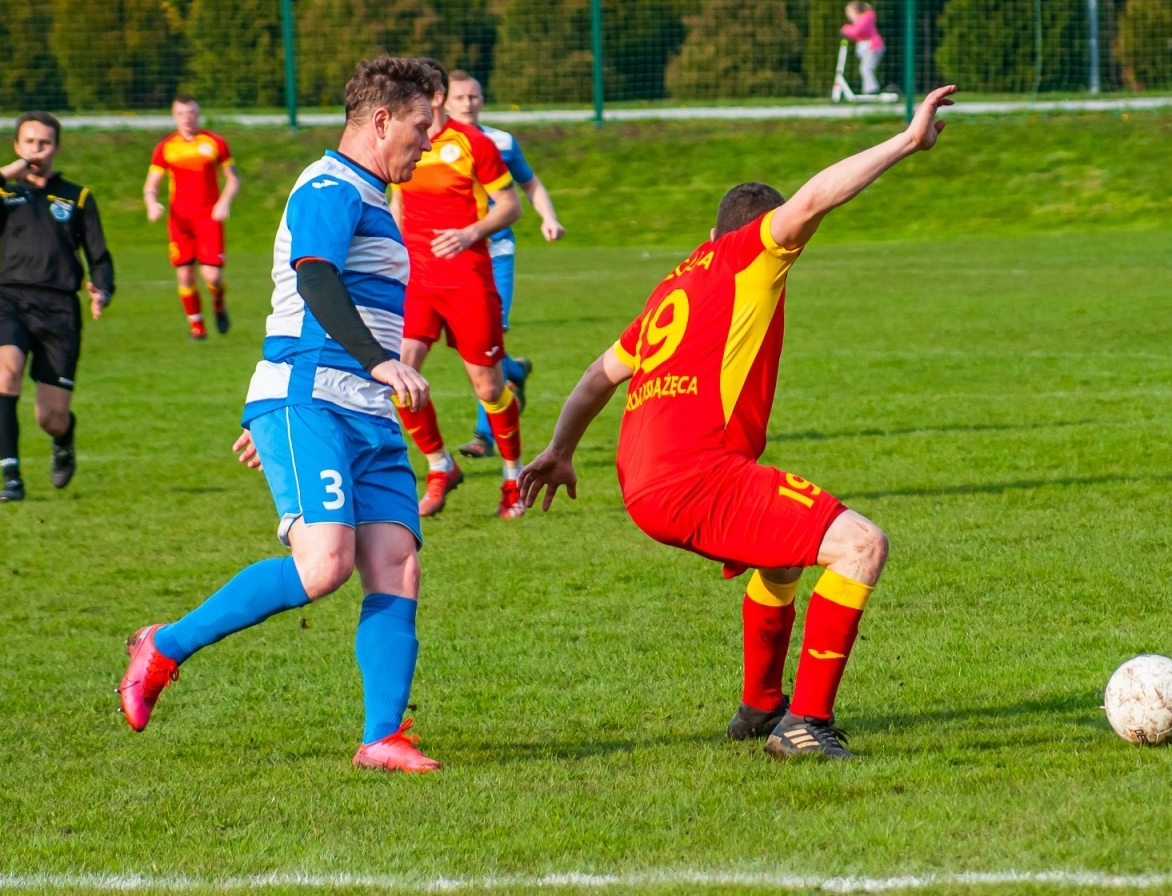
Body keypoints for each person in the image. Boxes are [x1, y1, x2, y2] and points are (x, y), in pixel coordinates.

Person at [519, 85, 957, 760]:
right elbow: (815, 199)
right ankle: (805, 724)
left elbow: (595, 377)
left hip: (645, 482)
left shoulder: (676, 283)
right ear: (759, 231)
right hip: (696, 475)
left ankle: (759, 705)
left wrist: (558, 450)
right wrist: (905, 140)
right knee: (861, 546)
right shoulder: (751, 255)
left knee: (781, 558)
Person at [117, 56, 444, 773]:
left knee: (396, 564)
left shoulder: (374, 198)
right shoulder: (330, 185)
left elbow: (302, 308)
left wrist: (288, 400)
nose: (432, 137)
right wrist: (363, 367)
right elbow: (316, 277)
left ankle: (381, 736)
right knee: (324, 566)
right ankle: (164, 646)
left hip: (358, 412)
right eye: (423, 124)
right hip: (318, 395)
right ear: (381, 119)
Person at [388, 59, 527, 518]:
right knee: (399, 376)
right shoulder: (405, 142)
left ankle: (512, 478)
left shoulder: (474, 144)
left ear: (437, 96)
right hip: (418, 282)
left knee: (488, 387)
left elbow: (510, 205)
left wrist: (470, 233)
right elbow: (398, 204)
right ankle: (439, 465)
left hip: (468, 279)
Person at [443, 69, 566, 461]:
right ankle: (515, 372)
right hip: (452, 257)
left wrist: (548, 216)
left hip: (495, 254)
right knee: (471, 347)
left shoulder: (500, 141)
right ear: (444, 101)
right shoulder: (430, 143)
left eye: (474, 96)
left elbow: (530, 183)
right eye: (460, 97)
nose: (468, 103)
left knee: (487, 341)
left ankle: (484, 435)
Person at [0, 112, 113, 503]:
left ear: (56, 147)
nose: (36, 150)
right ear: (17, 146)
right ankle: (11, 476)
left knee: (50, 417)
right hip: (9, 299)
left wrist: (103, 288)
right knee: (4, 372)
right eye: (29, 142)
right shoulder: (3, 195)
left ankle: (64, 436)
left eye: (44, 143)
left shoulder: (76, 196)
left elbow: (98, 255)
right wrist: (1, 174)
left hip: (59, 309)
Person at [144, 97, 240, 339]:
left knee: (212, 276)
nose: (186, 117)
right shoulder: (166, 147)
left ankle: (218, 303)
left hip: (209, 218)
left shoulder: (215, 143)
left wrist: (224, 201)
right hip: (180, 220)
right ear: (174, 116)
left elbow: (233, 178)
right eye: (181, 113)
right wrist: (151, 203)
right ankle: (196, 326)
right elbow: (151, 185)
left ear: (198, 114)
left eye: (191, 112)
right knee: (185, 274)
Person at [842, 1, 885, 96]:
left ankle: (872, 90)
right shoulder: (860, 20)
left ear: (856, 11)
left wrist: (845, 29)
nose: (848, 15)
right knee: (865, 69)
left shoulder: (866, 18)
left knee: (866, 69)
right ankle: (868, 90)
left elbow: (857, 31)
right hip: (868, 47)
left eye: (849, 12)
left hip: (873, 46)